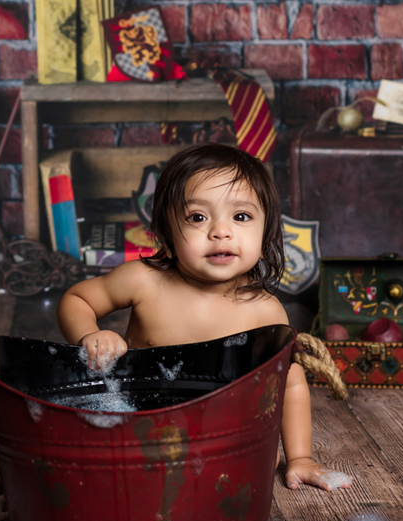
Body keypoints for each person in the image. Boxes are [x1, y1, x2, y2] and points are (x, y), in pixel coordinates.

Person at [57, 143, 352, 492]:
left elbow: (290, 385)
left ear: (265, 235)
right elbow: (76, 299)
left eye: (241, 217)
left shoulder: (264, 310)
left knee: (258, 453)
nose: (221, 231)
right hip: (142, 430)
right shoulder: (144, 281)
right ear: (167, 234)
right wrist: (90, 334)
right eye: (198, 217)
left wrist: (299, 457)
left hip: (226, 440)